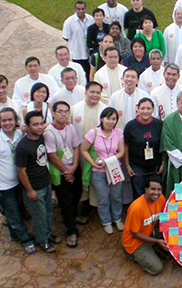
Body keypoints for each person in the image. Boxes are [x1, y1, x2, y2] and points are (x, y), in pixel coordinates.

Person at [0, 108, 35, 254]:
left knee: (17, 209)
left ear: (15, 121)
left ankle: (14, 234)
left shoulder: (18, 134)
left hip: (17, 182)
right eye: (4, 120)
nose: (7, 123)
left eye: (10, 120)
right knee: (13, 213)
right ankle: (26, 240)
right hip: (2, 185)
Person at [16, 111, 59, 253]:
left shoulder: (42, 138)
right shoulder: (23, 146)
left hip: (45, 183)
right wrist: (29, 190)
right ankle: (43, 241)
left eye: (41, 123)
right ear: (27, 126)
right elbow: (21, 170)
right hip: (34, 187)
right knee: (39, 216)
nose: (40, 127)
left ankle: (47, 234)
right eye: (35, 124)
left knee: (48, 212)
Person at [81, 107, 125, 235]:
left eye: (113, 119)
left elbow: (121, 152)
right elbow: (84, 150)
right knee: (103, 198)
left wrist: (108, 160)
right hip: (98, 171)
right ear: (102, 118)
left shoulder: (118, 133)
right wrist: (93, 162)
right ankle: (106, 221)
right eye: (108, 118)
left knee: (116, 196)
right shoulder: (93, 133)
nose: (110, 121)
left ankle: (117, 218)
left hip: (114, 169)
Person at [43, 101, 81, 248]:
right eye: (60, 111)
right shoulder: (49, 132)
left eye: (66, 111)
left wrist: (75, 165)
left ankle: (72, 217)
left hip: (73, 167)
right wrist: (66, 171)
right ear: (53, 113)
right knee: (65, 201)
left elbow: (76, 146)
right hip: (60, 172)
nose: (64, 114)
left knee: (76, 194)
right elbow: (52, 156)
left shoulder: (70, 127)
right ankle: (71, 230)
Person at [70, 82, 108, 224]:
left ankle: (98, 207)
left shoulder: (105, 110)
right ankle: (85, 206)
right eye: (92, 92)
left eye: (98, 93)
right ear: (86, 92)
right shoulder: (76, 109)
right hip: (81, 151)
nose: (95, 95)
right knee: (83, 179)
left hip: (100, 152)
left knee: (98, 179)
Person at [122, 178, 168, 275]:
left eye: (159, 189)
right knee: (157, 268)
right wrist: (157, 241)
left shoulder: (161, 198)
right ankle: (131, 253)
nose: (156, 193)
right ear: (146, 189)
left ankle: (152, 247)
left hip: (150, 231)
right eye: (153, 189)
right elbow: (134, 234)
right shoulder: (136, 208)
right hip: (135, 241)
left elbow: (165, 215)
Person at [124, 98, 164, 199]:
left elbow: (164, 145)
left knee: (155, 192)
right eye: (142, 108)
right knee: (139, 193)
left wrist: (163, 163)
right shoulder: (130, 126)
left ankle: (155, 213)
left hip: (155, 165)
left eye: (148, 108)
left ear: (153, 110)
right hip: (137, 165)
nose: (145, 111)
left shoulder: (159, 125)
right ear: (138, 109)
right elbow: (125, 146)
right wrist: (127, 165)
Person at [62, 1, 95, 76]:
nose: (81, 11)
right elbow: (65, 37)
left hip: (89, 53)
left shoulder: (91, 19)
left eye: (82, 9)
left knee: (90, 74)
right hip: (77, 54)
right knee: (79, 74)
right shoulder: (69, 22)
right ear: (75, 9)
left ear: (85, 9)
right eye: (78, 9)